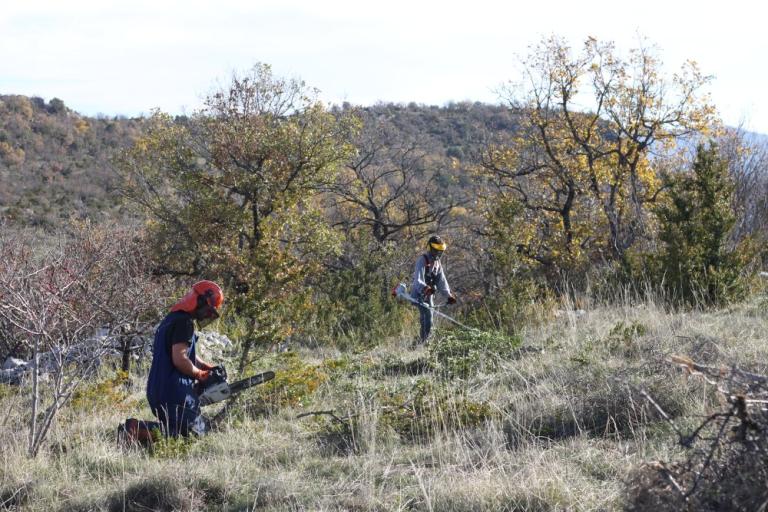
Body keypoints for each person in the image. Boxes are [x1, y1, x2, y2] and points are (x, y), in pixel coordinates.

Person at [146, 280, 223, 437]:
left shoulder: (170, 319)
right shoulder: (184, 322)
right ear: (200, 300)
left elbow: (185, 354)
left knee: (183, 430)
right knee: (194, 434)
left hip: (158, 389)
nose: (206, 314)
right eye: (207, 310)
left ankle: (139, 433)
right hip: (174, 391)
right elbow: (180, 360)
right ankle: (135, 429)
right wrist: (200, 375)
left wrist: (206, 367)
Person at [411, 235, 457, 344]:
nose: (439, 254)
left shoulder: (437, 263)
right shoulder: (422, 260)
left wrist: (448, 295)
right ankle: (423, 342)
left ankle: (422, 342)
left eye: (440, 251)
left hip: (429, 295)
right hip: (419, 294)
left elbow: (441, 281)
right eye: (437, 251)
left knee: (428, 319)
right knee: (427, 317)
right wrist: (425, 288)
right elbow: (418, 280)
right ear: (431, 249)